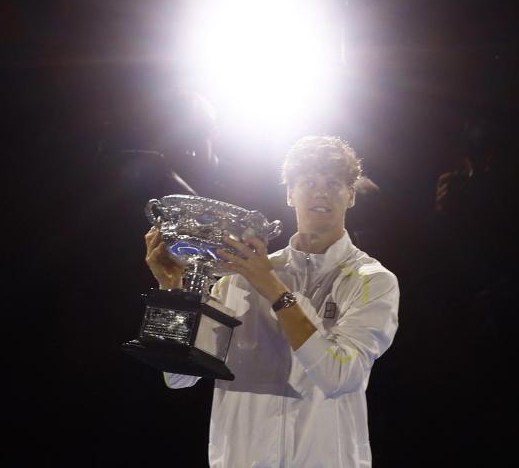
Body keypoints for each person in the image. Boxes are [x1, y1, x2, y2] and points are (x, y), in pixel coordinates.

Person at [144, 135, 400, 467]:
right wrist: (173, 290)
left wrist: (272, 287)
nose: (320, 191)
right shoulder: (237, 278)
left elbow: (338, 376)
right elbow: (178, 376)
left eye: (334, 183)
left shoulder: (373, 280)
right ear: (290, 193)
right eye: (308, 181)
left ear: (350, 195)